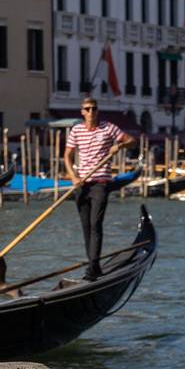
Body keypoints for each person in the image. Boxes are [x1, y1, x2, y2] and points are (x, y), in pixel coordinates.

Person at [64, 97, 136, 281]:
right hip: (82, 184)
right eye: (87, 109)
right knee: (86, 227)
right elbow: (68, 156)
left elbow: (132, 141)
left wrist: (119, 146)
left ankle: (92, 268)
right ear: (82, 112)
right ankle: (94, 266)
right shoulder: (76, 130)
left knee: (96, 224)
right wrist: (73, 176)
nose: (91, 112)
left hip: (100, 183)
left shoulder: (108, 128)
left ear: (98, 111)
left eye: (94, 109)